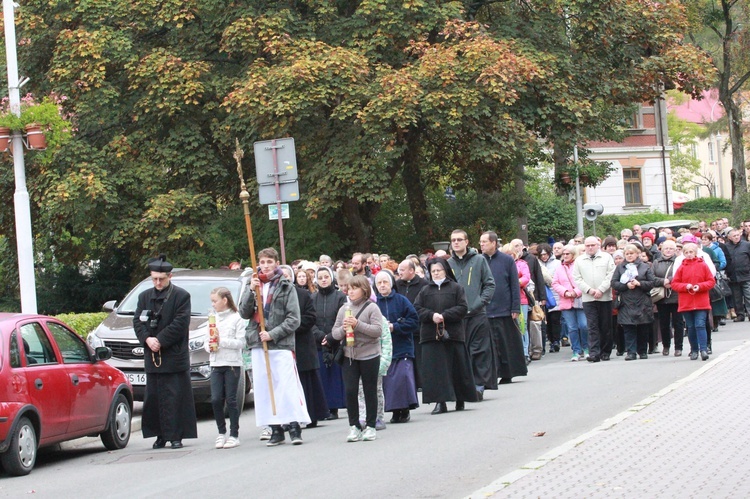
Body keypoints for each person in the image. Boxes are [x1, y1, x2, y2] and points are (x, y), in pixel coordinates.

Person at [238, 248, 308, 447]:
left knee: (286, 386)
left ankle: (294, 426)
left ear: (276, 263)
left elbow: (294, 319)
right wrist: (251, 291)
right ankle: (275, 429)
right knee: (264, 387)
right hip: (258, 343)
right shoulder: (253, 284)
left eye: (269, 261)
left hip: (281, 344)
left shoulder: (286, 286)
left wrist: (273, 333)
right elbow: (244, 312)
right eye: (262, 261)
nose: (266, 265)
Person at [133, 254, 197, 449]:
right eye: (154, 279)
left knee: (176, 397)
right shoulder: (144, 297)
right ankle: (159, 434)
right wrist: (147, 339)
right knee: (154, 398)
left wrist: (160, 340)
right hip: (152, 356)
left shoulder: (181, 296)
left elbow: (180, 324)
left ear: (170, 276)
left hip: (173, 355)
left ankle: (176, 435)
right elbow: (137, 321)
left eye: (161, 279)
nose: (158, 283)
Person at [414, 258, 477, 414]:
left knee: (456, 367)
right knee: (435, 370)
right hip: (431, 335)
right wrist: (431, 315)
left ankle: (460, 398)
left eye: (439, 270)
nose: (436, 273)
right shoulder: (425, 290)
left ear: (446, 271)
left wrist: (444, 316)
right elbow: (417, 308)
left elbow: (462, 307)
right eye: (433, 271)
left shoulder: (456, 288)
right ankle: (439, 402)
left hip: (453, 334)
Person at [327, 275, 384, 442]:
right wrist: (344, 329)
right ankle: (354, 426)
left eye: (354, 288)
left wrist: (357, 324)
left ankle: (371, 425)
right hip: (349, 355)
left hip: (370, 354)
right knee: (350, 390)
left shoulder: (372, 308)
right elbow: (335, 333)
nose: (350, 291)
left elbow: (377, 331)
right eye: (349, 289)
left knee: (369, 390)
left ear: (364, 289)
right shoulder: (344, 308)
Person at [448, 229, 497, 400]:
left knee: (479, 351)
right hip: (456, 317)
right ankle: (462, 387)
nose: (456, 243)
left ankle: (479, 385)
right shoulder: (448, 264)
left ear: (467, 242)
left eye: (459, 239)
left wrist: (478, 304)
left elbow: (489, 285)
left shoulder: (479, 260)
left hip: (476, 314)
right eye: (453, 240)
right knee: (460, 353)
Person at [280, 265, 329, 430]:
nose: (284, 278)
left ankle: (311, 415)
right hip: (281, 345)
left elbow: (310, 317)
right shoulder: (275, 297)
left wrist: (289, 327)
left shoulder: (303, 295)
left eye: (287, 275)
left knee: (306, 380)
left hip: (302, 344)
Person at [480, 231, 527, 383]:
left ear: (493, 243)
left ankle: (509, 372)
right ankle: (492, 374)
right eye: (480, 242)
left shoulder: (507, 260)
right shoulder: (479, 260)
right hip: (486, 309)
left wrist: (515, 308)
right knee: (490, 345)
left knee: (507, 343)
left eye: (484, 242)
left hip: (505, 308)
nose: (481, 245)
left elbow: (514, 285)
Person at [375, 270, 420, 423]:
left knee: (403, 378)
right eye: (379, 283)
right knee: (388, 382)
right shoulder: (374, 304)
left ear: (391, 283)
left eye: (385, 282)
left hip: (402, 346)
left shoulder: (401, 300)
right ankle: (394, 410)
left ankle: (405, 408)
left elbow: (414, 321)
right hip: (383, 349)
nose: (382, 285)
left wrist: (395, 327)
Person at [205, 287, 245, 449]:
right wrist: (210, 345)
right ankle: (221, 432)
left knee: (231, 399)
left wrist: (221, 341)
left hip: (231, 364)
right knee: (215, 399)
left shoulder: (236, 319)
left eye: (215, 301)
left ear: (224, 300)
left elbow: (241, 343)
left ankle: (234, 434)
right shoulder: (212, 319)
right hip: (216, 363)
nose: (213, 304)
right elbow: (207, 340)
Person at [311, 267, 347, 422]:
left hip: (336, 342)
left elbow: (343, 317)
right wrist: (321, 336)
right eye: (320, 277)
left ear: (332, 278)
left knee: (335, 376)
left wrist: (332, 337)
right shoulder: (312, 298)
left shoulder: (340, 297)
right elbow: (310, 321)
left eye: (326, 276)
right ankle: (325, 408)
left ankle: (335, 407)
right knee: (322, 377)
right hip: (318, 343)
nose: (323, 280)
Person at [573, 237, 615, 362]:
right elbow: (577, 278)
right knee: (592, 326)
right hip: (588, 298)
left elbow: (611, 274)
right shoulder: (579, 260)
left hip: (605, 297)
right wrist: (589, 290)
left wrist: (601, 289)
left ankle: (605, 351)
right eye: (587, 245)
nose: (590, 247)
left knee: (605, 325)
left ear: (598, 245)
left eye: (593, 245)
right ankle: (594, 352)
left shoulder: (606, 257)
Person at [611, 244, 655, 361]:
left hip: (642, 301)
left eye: (632, 253)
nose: (629, 256)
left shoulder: (645, 267)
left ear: (637, 254)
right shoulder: (620, 267)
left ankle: (642, 350)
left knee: (643, 327)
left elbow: (651, 283)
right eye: (627, 254)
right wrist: (626, 285)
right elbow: (614, 283)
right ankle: (631, 352)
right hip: (626, 301)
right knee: (628, 327)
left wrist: (639, 283)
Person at [671, 242, 715, 361]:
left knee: (700, 325)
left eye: (691, 252)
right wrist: (686, 286)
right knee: (690, 326)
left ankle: (704, 349)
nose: (689, 254)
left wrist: (700, 286)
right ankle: (694, 350)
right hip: (687, 302)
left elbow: (711, 281)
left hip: (701, 301)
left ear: (696, 253)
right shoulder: (681, 267)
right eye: (686, 252)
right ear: (683, 254)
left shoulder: (703, 265)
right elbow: (674, 284)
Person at [396, 258, 429, 387]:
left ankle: (421, 382)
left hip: (418, 328)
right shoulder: (397, 285)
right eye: (399, 270)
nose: (400, 272)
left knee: (420, 358)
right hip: (402, 328)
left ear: (411, 270)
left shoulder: (424, 285)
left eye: (402, 270)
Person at [552, 245, 589, 361]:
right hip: (566, 301)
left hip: (579, 300)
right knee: (572, 327)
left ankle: (586, 348)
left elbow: (584, 280)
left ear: (573, 254)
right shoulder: (559, 268)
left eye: (567, 254)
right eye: (564, 254)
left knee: (583, 325)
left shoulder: (579, 265)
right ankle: (576, 351)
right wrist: (565, 292)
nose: (565, 256)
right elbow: (555, 283)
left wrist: (576, 292)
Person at [652, 240, 684, 356]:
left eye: (671, 248)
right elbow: (652, 277)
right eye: (666, 248)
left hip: (676, 296)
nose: (669, 250)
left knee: (678, 323)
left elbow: (681, 274)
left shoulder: (679, 261)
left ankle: (678, 347)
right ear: (661, 250)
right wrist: (662, 281)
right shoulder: (656, 262)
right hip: (662, 297)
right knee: (664, 324)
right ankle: (666, 346)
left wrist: (670, 280)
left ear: (675, 250)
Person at [725, 229, 750, 322]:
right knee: (736, 297)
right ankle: (740, 314)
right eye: (734, 236)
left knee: (748, 295)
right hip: (733, 276)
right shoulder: (726, 247)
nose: (736, 237)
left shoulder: (746, 245)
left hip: (746, 274)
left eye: (737, 235)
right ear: (730, 238)